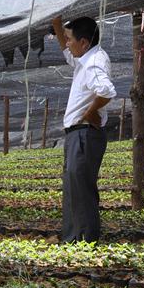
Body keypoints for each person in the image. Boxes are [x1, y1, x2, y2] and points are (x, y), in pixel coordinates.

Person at [51, 15, 116, 242]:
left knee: (81, 188)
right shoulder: (84, 59)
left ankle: (84, 240)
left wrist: (89, 113)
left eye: (70, 39)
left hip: (84, 133)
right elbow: (67, 52)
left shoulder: (94, 62)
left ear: (84, 42)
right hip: (77, 134)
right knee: (73, 186)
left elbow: (106, 91)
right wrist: (57, 26)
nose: (67, 44)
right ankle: (73, 238)